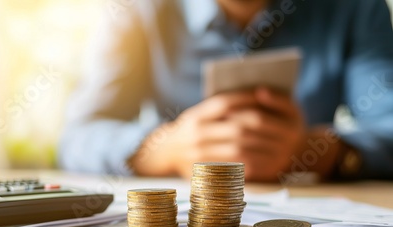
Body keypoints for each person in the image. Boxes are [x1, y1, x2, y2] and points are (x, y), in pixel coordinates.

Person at [59, 0, 393, 182]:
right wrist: (166, 148)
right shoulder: (135, 9)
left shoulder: (357, 7)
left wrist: (315, 150)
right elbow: (77, 137)